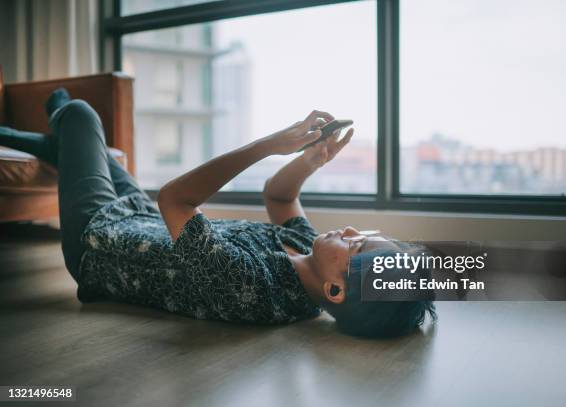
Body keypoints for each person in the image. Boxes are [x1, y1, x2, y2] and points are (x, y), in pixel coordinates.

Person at [0, 89, 435, 338]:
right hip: (139, 218)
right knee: (78, 142)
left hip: (100, 244)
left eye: (355, 244)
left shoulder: (251, 287)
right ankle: (48, 140)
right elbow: (279, 199)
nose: (350, 230)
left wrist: (268, 145)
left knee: (79, 113)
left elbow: (174, 199)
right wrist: (311, 159)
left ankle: (57, 117)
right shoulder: (308, 254)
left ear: (336, 291)